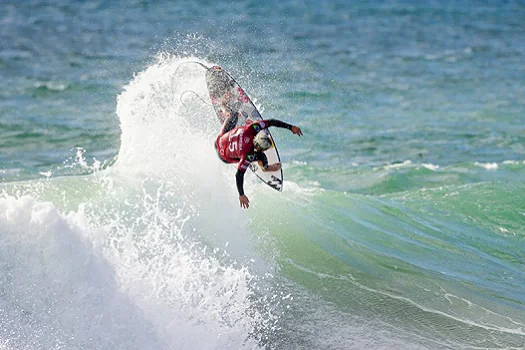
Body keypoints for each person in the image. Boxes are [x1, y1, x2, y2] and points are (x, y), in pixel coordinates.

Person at [215, 112, 303, 209]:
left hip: (218, 141)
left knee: (234, 115)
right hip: (224, 157)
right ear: (259, 148)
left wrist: (291, 127)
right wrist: (241, 195)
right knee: (261, 157)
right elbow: (239, 174)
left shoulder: (251, 128)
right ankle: (266, 168)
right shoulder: (248, 155)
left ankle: (228, 115)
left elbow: (271, 122)